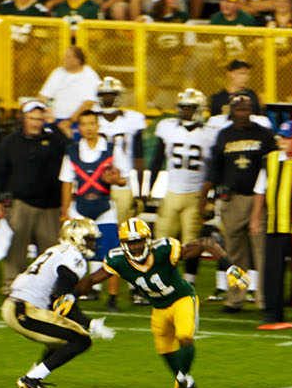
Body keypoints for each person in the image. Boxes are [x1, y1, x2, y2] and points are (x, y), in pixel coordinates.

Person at [83, 219, 226, 388]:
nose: (135, 247)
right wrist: (70, 295)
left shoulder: (165, 248)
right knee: (164, 349)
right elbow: (93, 279)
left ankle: (181, 380)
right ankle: (188, 384)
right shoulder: (117, 259)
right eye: (131, 243)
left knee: (185, 337)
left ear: (148, 240)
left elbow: (204, 244)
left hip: (181, 299)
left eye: (139, 241)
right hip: (158, 306)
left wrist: (228, 265)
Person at [4, 218, 116, 388]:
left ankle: (33, 377)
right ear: (75, 238)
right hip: (25, 309)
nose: (93, 244)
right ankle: (31, 379)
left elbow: (59, 298)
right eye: (89, 239)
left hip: (18, 306)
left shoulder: (57, 250)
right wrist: (88, 323)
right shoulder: (73, 257)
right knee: (81, 340)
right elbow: (62, 298)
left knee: (63, 339)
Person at [204, 93, 273, 312]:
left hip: (257, 200)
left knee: (261, 252)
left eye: (247, 109)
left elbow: (272, 167)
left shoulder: (264, 135)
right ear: (232, 111)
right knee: (234, 254)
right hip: (231, 200)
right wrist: (207, 196)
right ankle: (235, 298)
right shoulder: (224, 135)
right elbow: (215, 168)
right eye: (239, 109)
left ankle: (264, 299)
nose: (243, 113)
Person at [0, 101, 66, 284]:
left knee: (50, 252)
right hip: (21, 203)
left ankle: (47, 287)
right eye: (32, 118)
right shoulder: (11, 141)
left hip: (50, 205)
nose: (35, 123)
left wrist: (54, 124)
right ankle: (12, 285)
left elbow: (70, 148)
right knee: (15, 249)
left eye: (40, 119)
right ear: (23, 118)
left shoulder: (54, 140)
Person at [149, 89, 215, 289]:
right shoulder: (167, 127)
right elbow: (157, 159)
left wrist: (211, 196)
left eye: (190, 107)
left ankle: (190, 282)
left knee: (191, 242)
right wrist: (149, 189)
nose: (186, 111)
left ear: (199, 109)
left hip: (195, 194)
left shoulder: (209, 134)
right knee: (161, 240)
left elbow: (214, 167)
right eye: (183, 107)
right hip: (171, 191)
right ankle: (160, 280)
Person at [94, 77, 146, 310]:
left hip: (123, 184)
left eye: (111, 94)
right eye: (104, 94)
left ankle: (136, 285)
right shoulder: (91, 120)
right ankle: (95, 285)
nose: (107, 98)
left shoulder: (132, 120)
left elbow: (139, 155)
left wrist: (141, 187)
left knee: (128, 237)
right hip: (97, 185)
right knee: (96, 235)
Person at [60, 110, 130, 272]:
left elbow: (124, 179)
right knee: (77, 248)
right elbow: (67, 182)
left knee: (109, 249)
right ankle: (89, 287)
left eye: (92, 123)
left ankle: (109, 293)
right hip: (79, 206)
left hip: (105, 206)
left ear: (98, 126)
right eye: (84, 124)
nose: (89, 128)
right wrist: (65, 211)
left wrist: (115, 180)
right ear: (79, 128)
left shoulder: (112, 149)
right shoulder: (72, 151)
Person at [253, 124, 292, 325]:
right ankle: (273, 311)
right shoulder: (271, 160)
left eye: (288, 137)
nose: (283, 141)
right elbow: (260, 190)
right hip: (275, 222)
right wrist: (255, 217)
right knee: (273, 271)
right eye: (282, 137)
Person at [39, 46, 100, 136]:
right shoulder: (58, 72)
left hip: (77, 122)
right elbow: (44, 97)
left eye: (67, 57)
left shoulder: (90, 75)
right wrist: (49, 111)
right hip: (54, 120)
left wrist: (69, 122)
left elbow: (88, 103)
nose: (64, 59)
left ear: (77, 60)